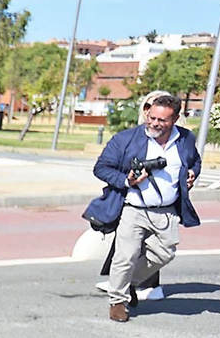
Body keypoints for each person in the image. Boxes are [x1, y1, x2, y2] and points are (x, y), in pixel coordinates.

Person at [84, 90, 200, 323]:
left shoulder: (186, 138)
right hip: (134, 208)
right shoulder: (126, 139)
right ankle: (117, 301)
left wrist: (192, 174)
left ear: (174, 119)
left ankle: (130, 284)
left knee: (165, 252)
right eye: (152, 118)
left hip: (166, 210)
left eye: (162, 120)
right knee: (125, 256)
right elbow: (102, 168)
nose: (155, 123)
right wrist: (127, 181)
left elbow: (194, 160)